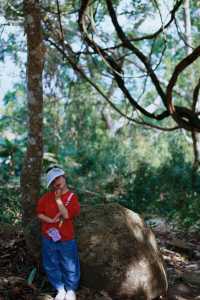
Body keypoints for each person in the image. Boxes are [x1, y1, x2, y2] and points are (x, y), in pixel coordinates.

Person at [37, 166, 80, 300]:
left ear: (64, 176)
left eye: (58, 177)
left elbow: (66, 215)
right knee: (51, 264)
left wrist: (58, 200)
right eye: (53, 180)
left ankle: (71, 290)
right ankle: (60, 289)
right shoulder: (45, 198)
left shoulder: (72, 197)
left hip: (66, 238)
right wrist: (49, 219)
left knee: (70, 265)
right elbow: (39, 213)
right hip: (48, 237)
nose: (57, 182)